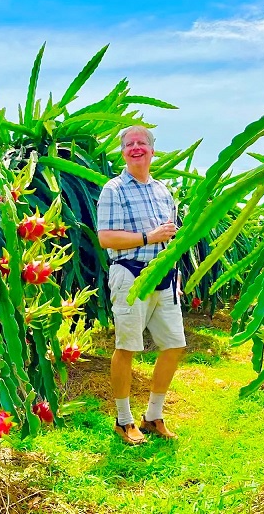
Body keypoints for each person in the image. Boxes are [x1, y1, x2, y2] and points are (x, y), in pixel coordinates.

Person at [96, 125, 186, 445]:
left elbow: (172, 238)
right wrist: (149, 237)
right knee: (127, 347)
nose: (136, 147)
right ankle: (123, 420)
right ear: (123, 152)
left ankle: (153, 416)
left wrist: (175, 274)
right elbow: (106, 238)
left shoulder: (164, 191)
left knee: (174, 345)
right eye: (129, 144)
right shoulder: (114, 189)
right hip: (130, 274)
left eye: (142, 143)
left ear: (152, 150)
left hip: (164, 277)